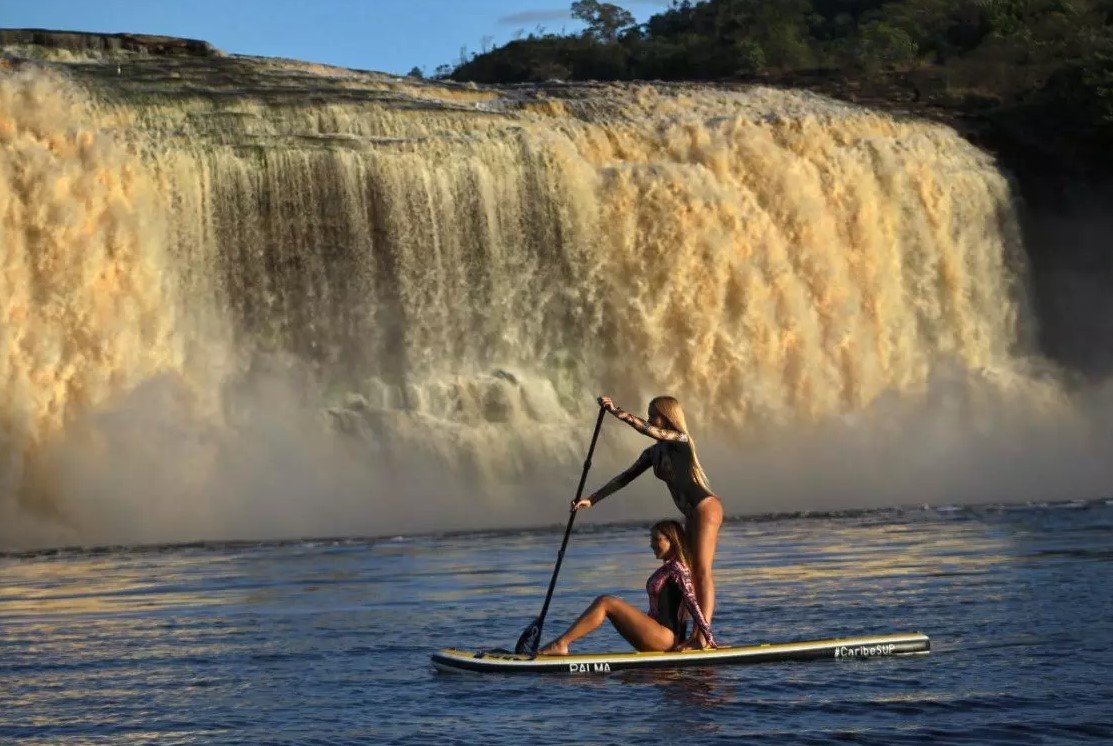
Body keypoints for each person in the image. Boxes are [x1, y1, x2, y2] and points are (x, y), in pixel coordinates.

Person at [573, 395, 723, 648]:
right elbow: (625, 477)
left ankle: (703, 637)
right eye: (649, 414)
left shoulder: (681, 440)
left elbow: (646, 428)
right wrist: (592, 499)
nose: (651, 418)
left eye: (654, 414)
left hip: (705, 507)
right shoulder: (653, 453)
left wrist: (616, 411)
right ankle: (686, 632)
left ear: (667, 417)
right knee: (688, 571)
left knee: (701, 571)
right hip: (691, 513)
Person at [539, 520, 715, 655]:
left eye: (657, 539)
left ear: (672, 541)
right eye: (650, 539)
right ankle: (560, 644)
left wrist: (707, 637)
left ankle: (560, 644)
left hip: (665, 638)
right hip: (657, 633)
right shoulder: (667, 568)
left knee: (606, 602)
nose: (651, 544)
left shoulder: (679, 569)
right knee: (607, 605)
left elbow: (692, 603)